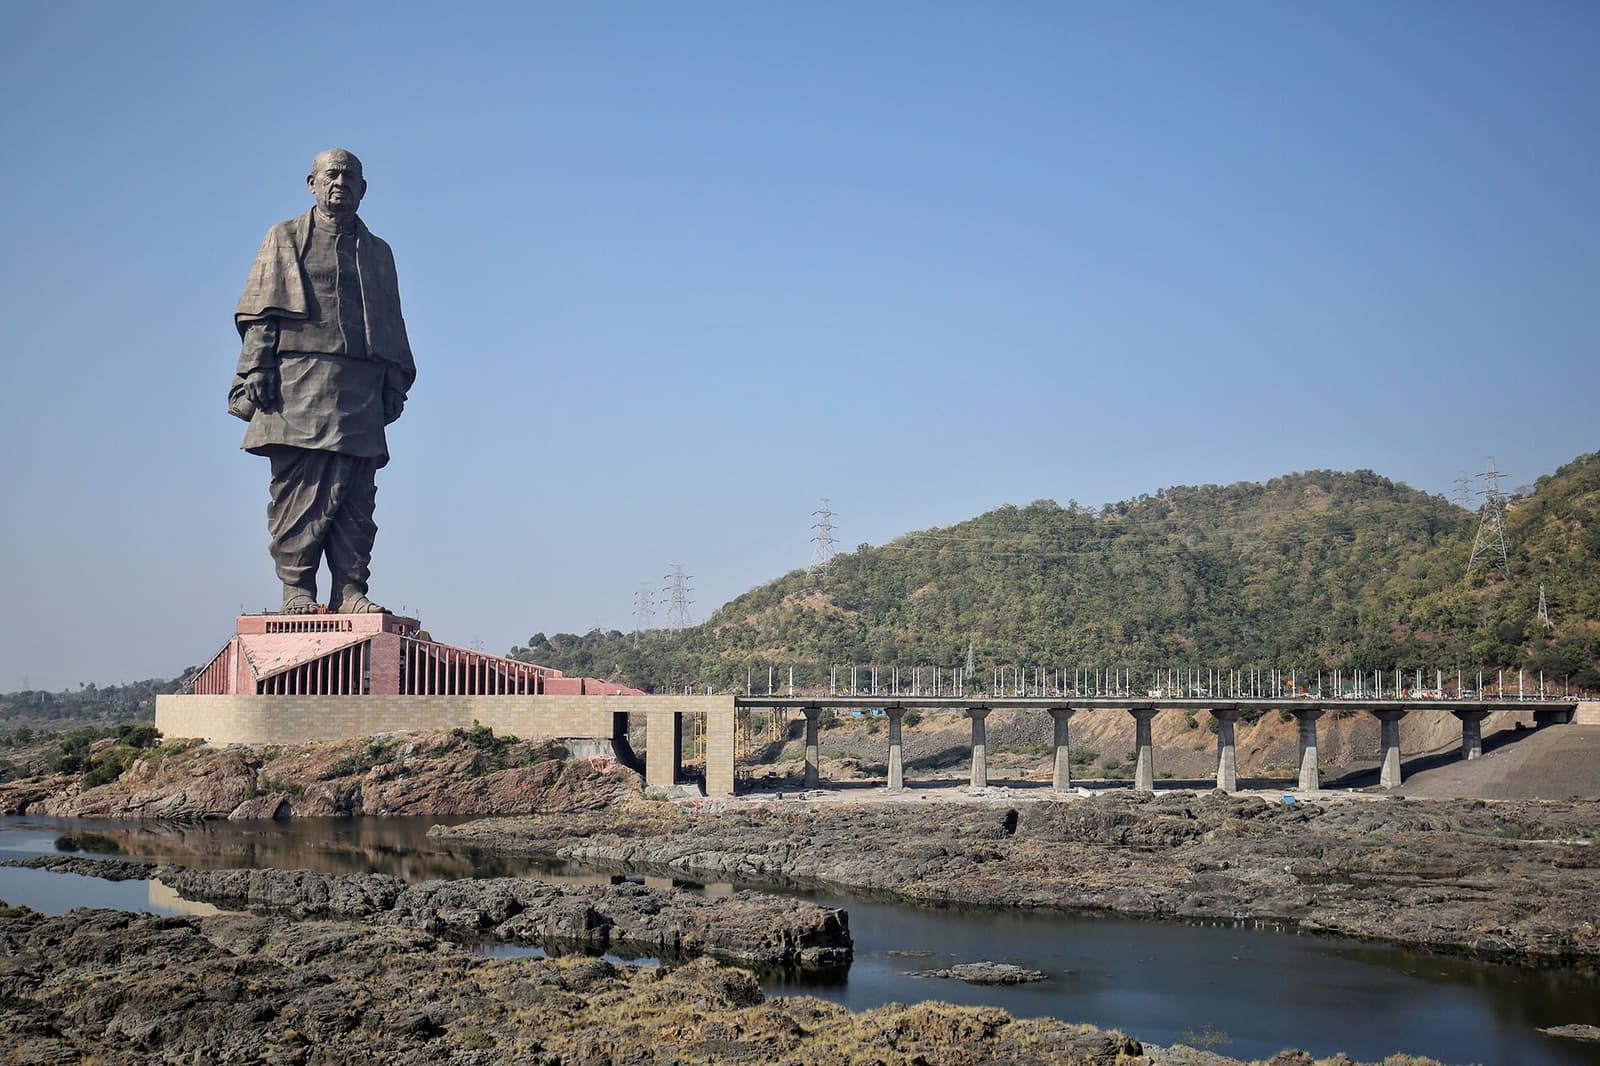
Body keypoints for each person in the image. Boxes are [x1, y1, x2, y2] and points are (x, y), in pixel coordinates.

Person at [229, 149, 416, 615]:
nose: (341, 183)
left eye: (350, 176)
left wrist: (393, 384)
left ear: (363, 189)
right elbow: (260, 314)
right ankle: (297, 588)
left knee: (357, 493)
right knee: (299, 488)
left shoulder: (378, 253)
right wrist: (257, 368)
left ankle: (350, 589)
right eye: (331, 174)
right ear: (311, 183)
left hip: (359, 384)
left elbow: (391, 324)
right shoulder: (285, 237)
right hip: (298, 382)